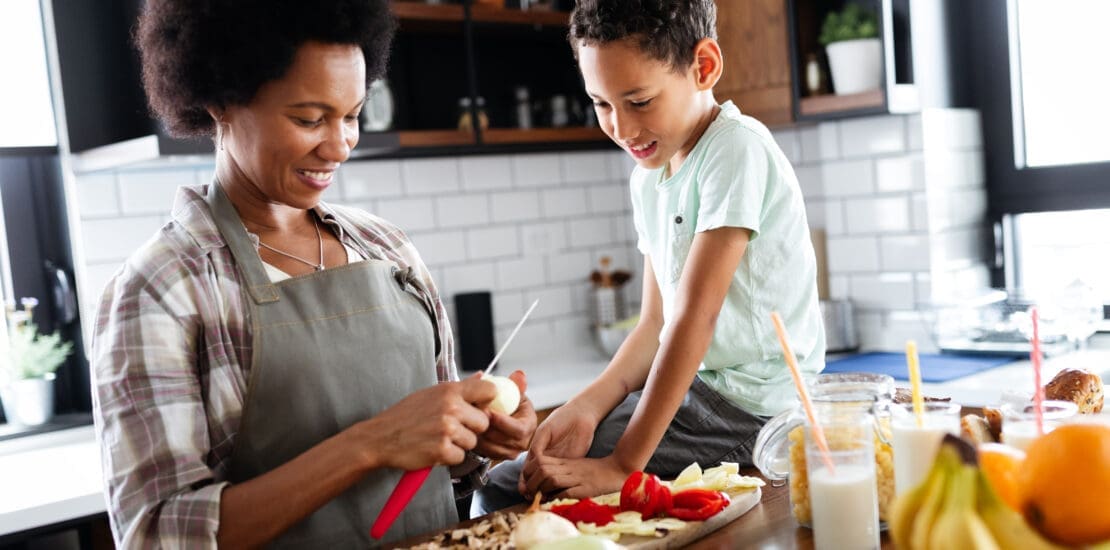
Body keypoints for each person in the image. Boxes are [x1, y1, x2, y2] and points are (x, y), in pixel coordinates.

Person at [90, 1, 537, 547]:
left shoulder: (386, 248)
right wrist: (370, 443)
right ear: (219, 103)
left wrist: (476, 437)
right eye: (308, 119)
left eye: (351, 115)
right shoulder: (162, 290)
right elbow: (156, 535)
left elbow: (438, 468)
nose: (340, 144)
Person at [473, 0, 824, 513]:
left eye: (638, 101)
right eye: (602, 104)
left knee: (515, 489)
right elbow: (654, 323)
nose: (620, 126)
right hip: (699, 396)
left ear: (703, 67)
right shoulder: (649, 178)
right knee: (514, 479)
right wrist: (587, 406)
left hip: (755, 411)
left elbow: (692, 320)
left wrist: (621, 466)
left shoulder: (736, 149)